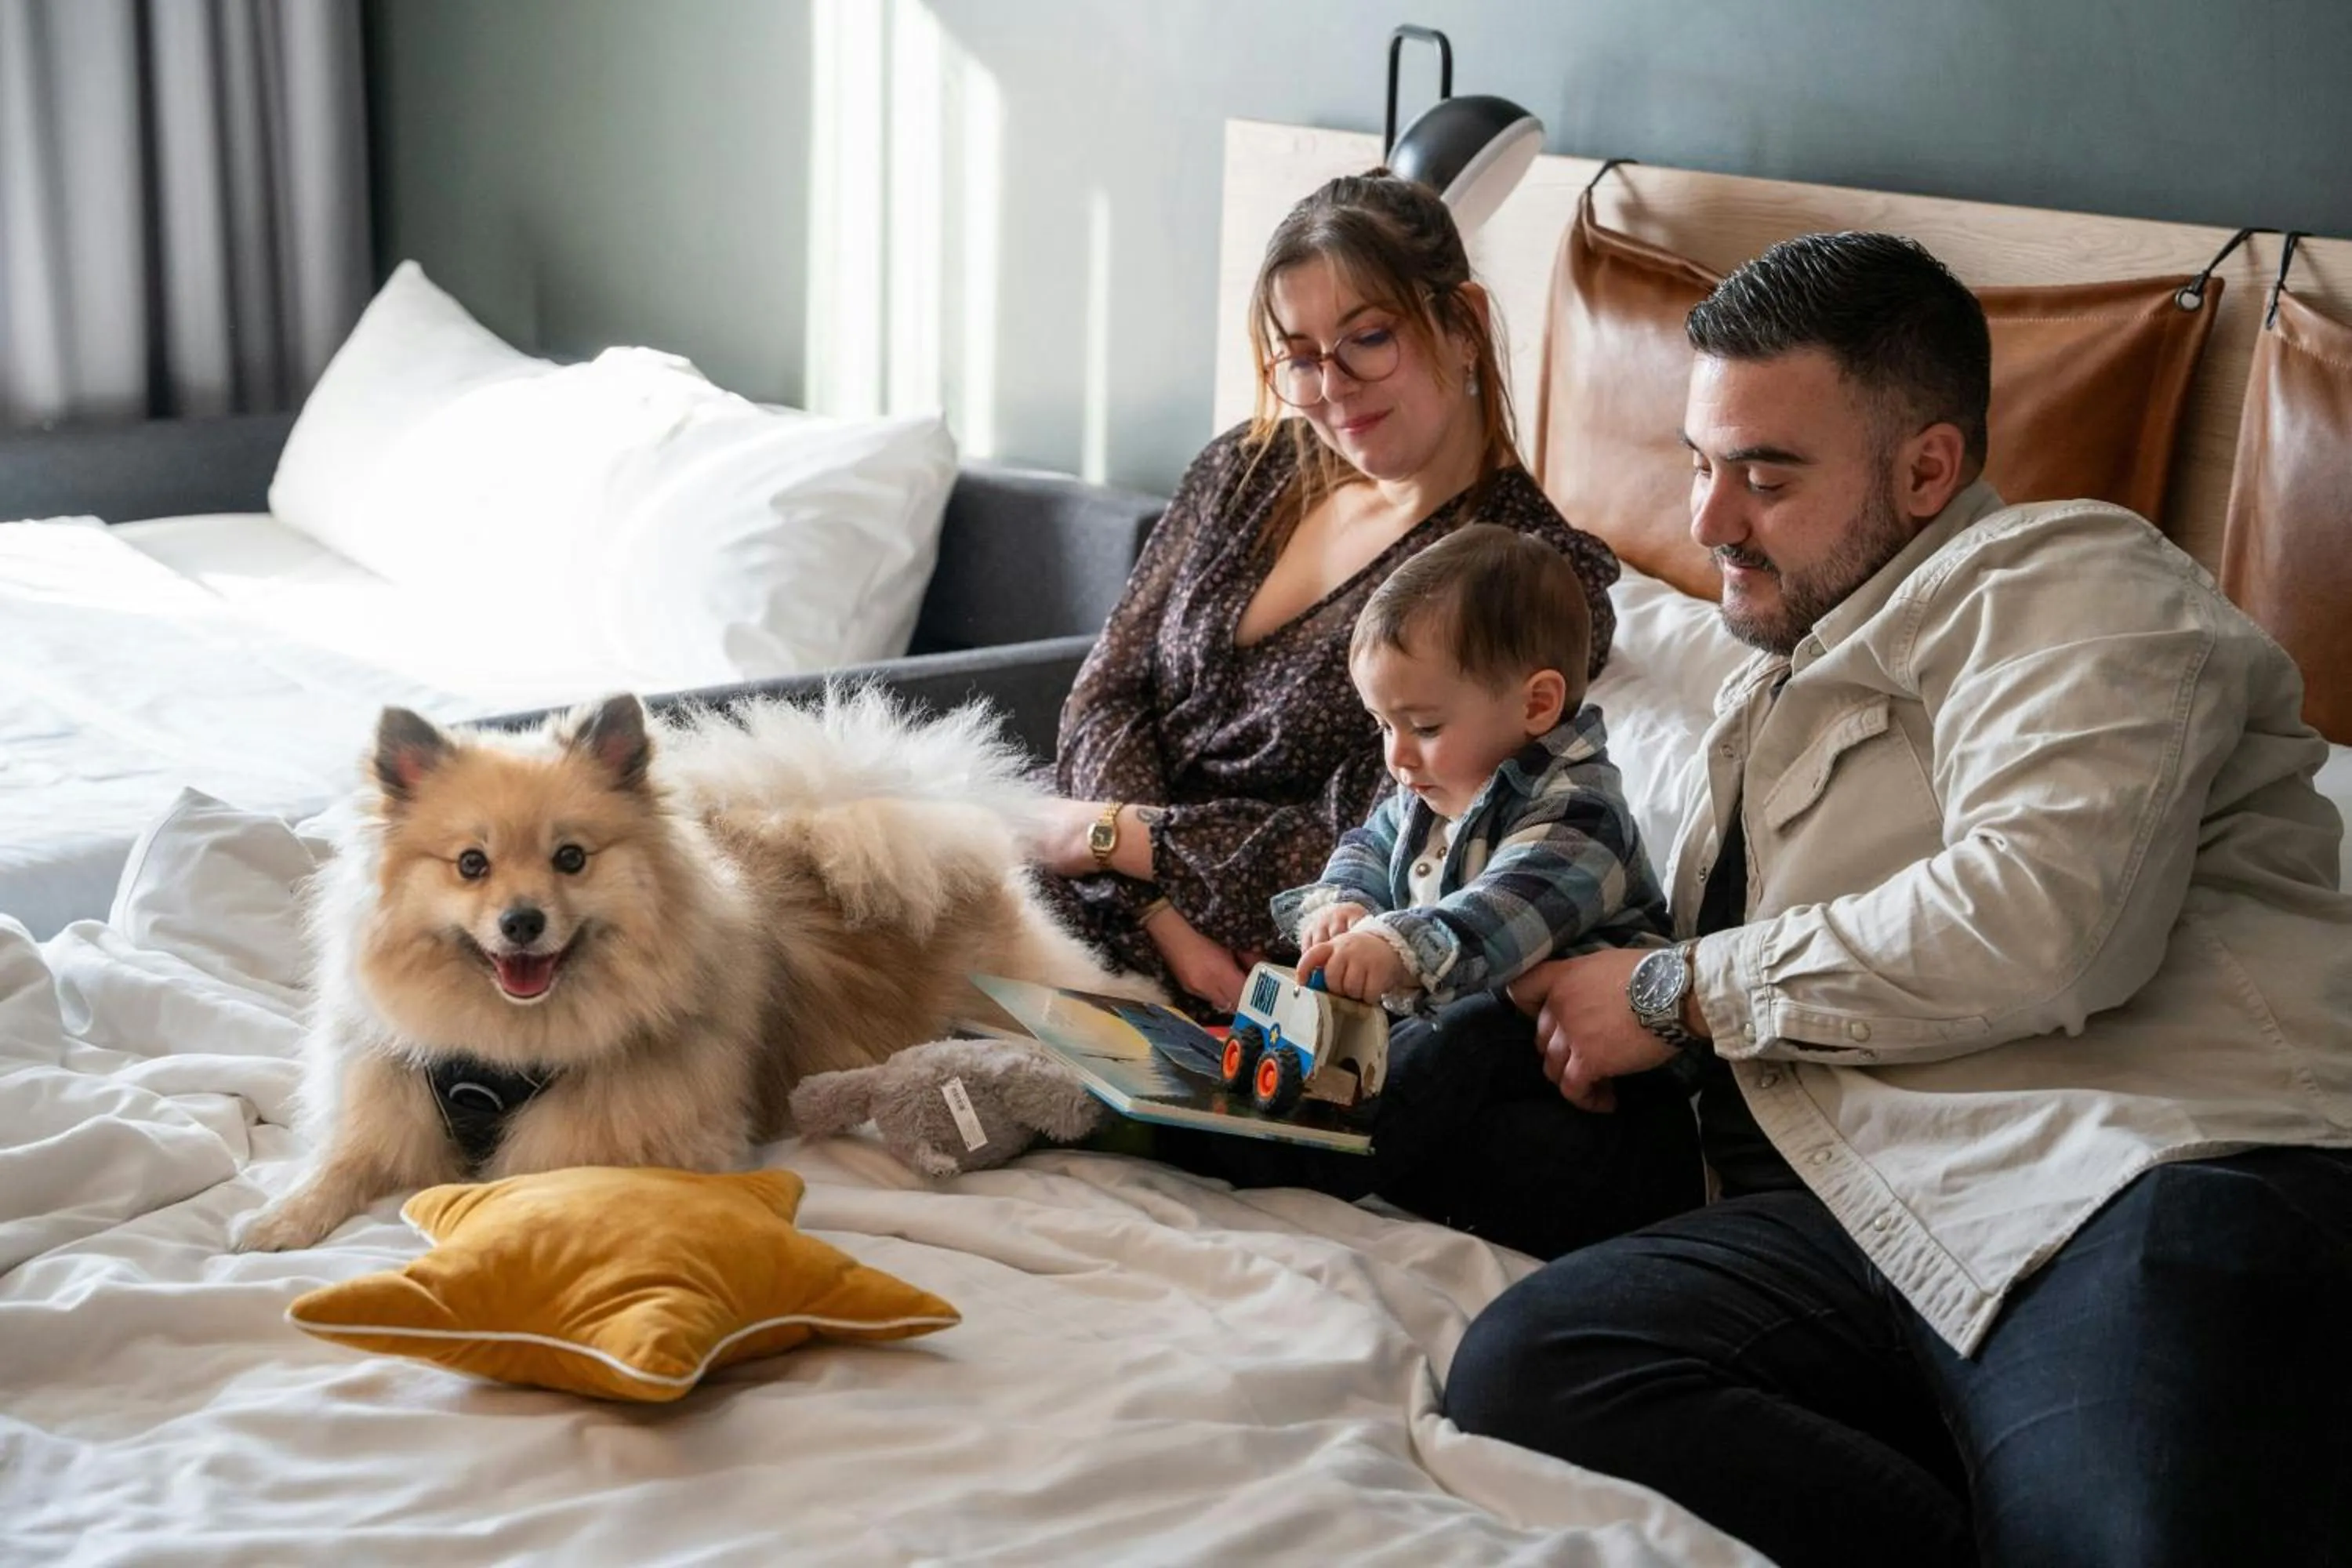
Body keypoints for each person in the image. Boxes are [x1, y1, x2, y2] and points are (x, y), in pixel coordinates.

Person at [1443, 230, 2352, 1566]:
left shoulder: (2073, 580)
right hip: (1867, 1213)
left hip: (2128, 1183)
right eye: (1701, 465)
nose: (1708, 522)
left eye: (1765, 474)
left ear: (1928, 467)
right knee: (1533, 1366)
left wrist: (1676, 991)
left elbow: (2051, 923)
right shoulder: (1770, 691)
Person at [1029, 169, 1621, 1021]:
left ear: (1464, 325)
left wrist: (1113, 839)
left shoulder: (1528, 580)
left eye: (1368, 338)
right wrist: (1151, 909)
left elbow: (1379, 835)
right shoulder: (1249, 468)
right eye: (1299, 357)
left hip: (1253, 966)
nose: (1332, 387)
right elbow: (1108, 694)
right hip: (1109, 899)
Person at [1177, 522, 1698, 1258]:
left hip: (1614, 1102)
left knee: (1465, 1032)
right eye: (1381, 725)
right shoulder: (1433, 789)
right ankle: (1307, 1124)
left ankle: (1288, 1156)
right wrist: (1343, 908)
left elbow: (1496, 916)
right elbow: (1367, 844)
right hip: (1499, 1088)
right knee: (1410, 1052)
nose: (1396, 756)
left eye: (1421, 725)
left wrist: (1392, 946)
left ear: (1537, 705)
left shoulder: (1582, 814)